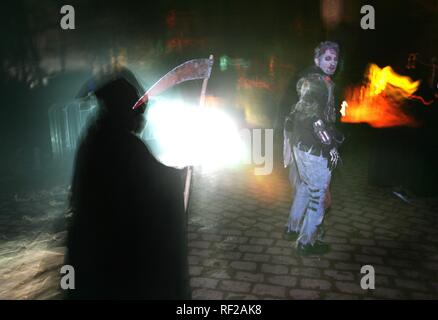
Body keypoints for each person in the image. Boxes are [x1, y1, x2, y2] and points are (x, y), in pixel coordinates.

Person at [65, 68, 191, 299]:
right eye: (136, 112)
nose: (140, 120)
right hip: (116, 252)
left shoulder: (94, 137)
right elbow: (154, 184)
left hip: (93, 248)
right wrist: (178, 176)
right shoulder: (123, 144)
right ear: (124, 111)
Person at [283, 41, 344, 255]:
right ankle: (306, 241)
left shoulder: (311, 78)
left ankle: (292, 227)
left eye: (335, 59)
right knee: (317, 193)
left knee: (304, 186)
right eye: (327, 58)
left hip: (302, 144)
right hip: (312, 148)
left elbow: (294, 112)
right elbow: (315, 118)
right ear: (317, 60)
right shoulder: (318, 83)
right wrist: (330, 146)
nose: (332, 63)